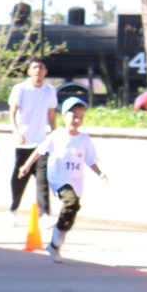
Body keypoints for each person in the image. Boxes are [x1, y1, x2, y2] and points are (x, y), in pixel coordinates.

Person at [16, 98, 107, 264]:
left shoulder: (84, 139)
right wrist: (26, 166)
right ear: (64, 116)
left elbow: (91, 160)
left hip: (76, 179)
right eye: (74, 116)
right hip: (58, 177)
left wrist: (100, 173)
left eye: (81, 117)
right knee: (71, 202)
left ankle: (55, 243)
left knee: (74, 207)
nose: (77, 120)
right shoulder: (56, 135)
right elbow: (40, 150)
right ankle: (56, 241)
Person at [8, 57, 58, 226]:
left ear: (46, 71)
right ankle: (12, 210)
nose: (38, 71)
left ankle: (44, 215)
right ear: (29, 71)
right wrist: (16, 133)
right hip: (23, 143)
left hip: (42, 143)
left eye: (41, 68)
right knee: (19, 178)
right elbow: (12, 113)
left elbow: (51, 117)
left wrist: (55, 136)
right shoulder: (20, 89)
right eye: (35, 67)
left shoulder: (50, 91)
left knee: (43, 179)